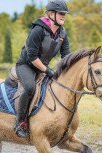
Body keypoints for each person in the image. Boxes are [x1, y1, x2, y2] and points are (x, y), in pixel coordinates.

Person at [11, 0, 70, 138]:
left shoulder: (62, 34)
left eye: (64, 14)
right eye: (61, 13)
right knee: (30, 88)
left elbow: (66, 55)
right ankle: (20, 123)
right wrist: (48, 71)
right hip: (26, 65)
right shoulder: (38, 30)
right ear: (50, 14)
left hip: (42, 67)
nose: (63, 16)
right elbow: (32, 57)